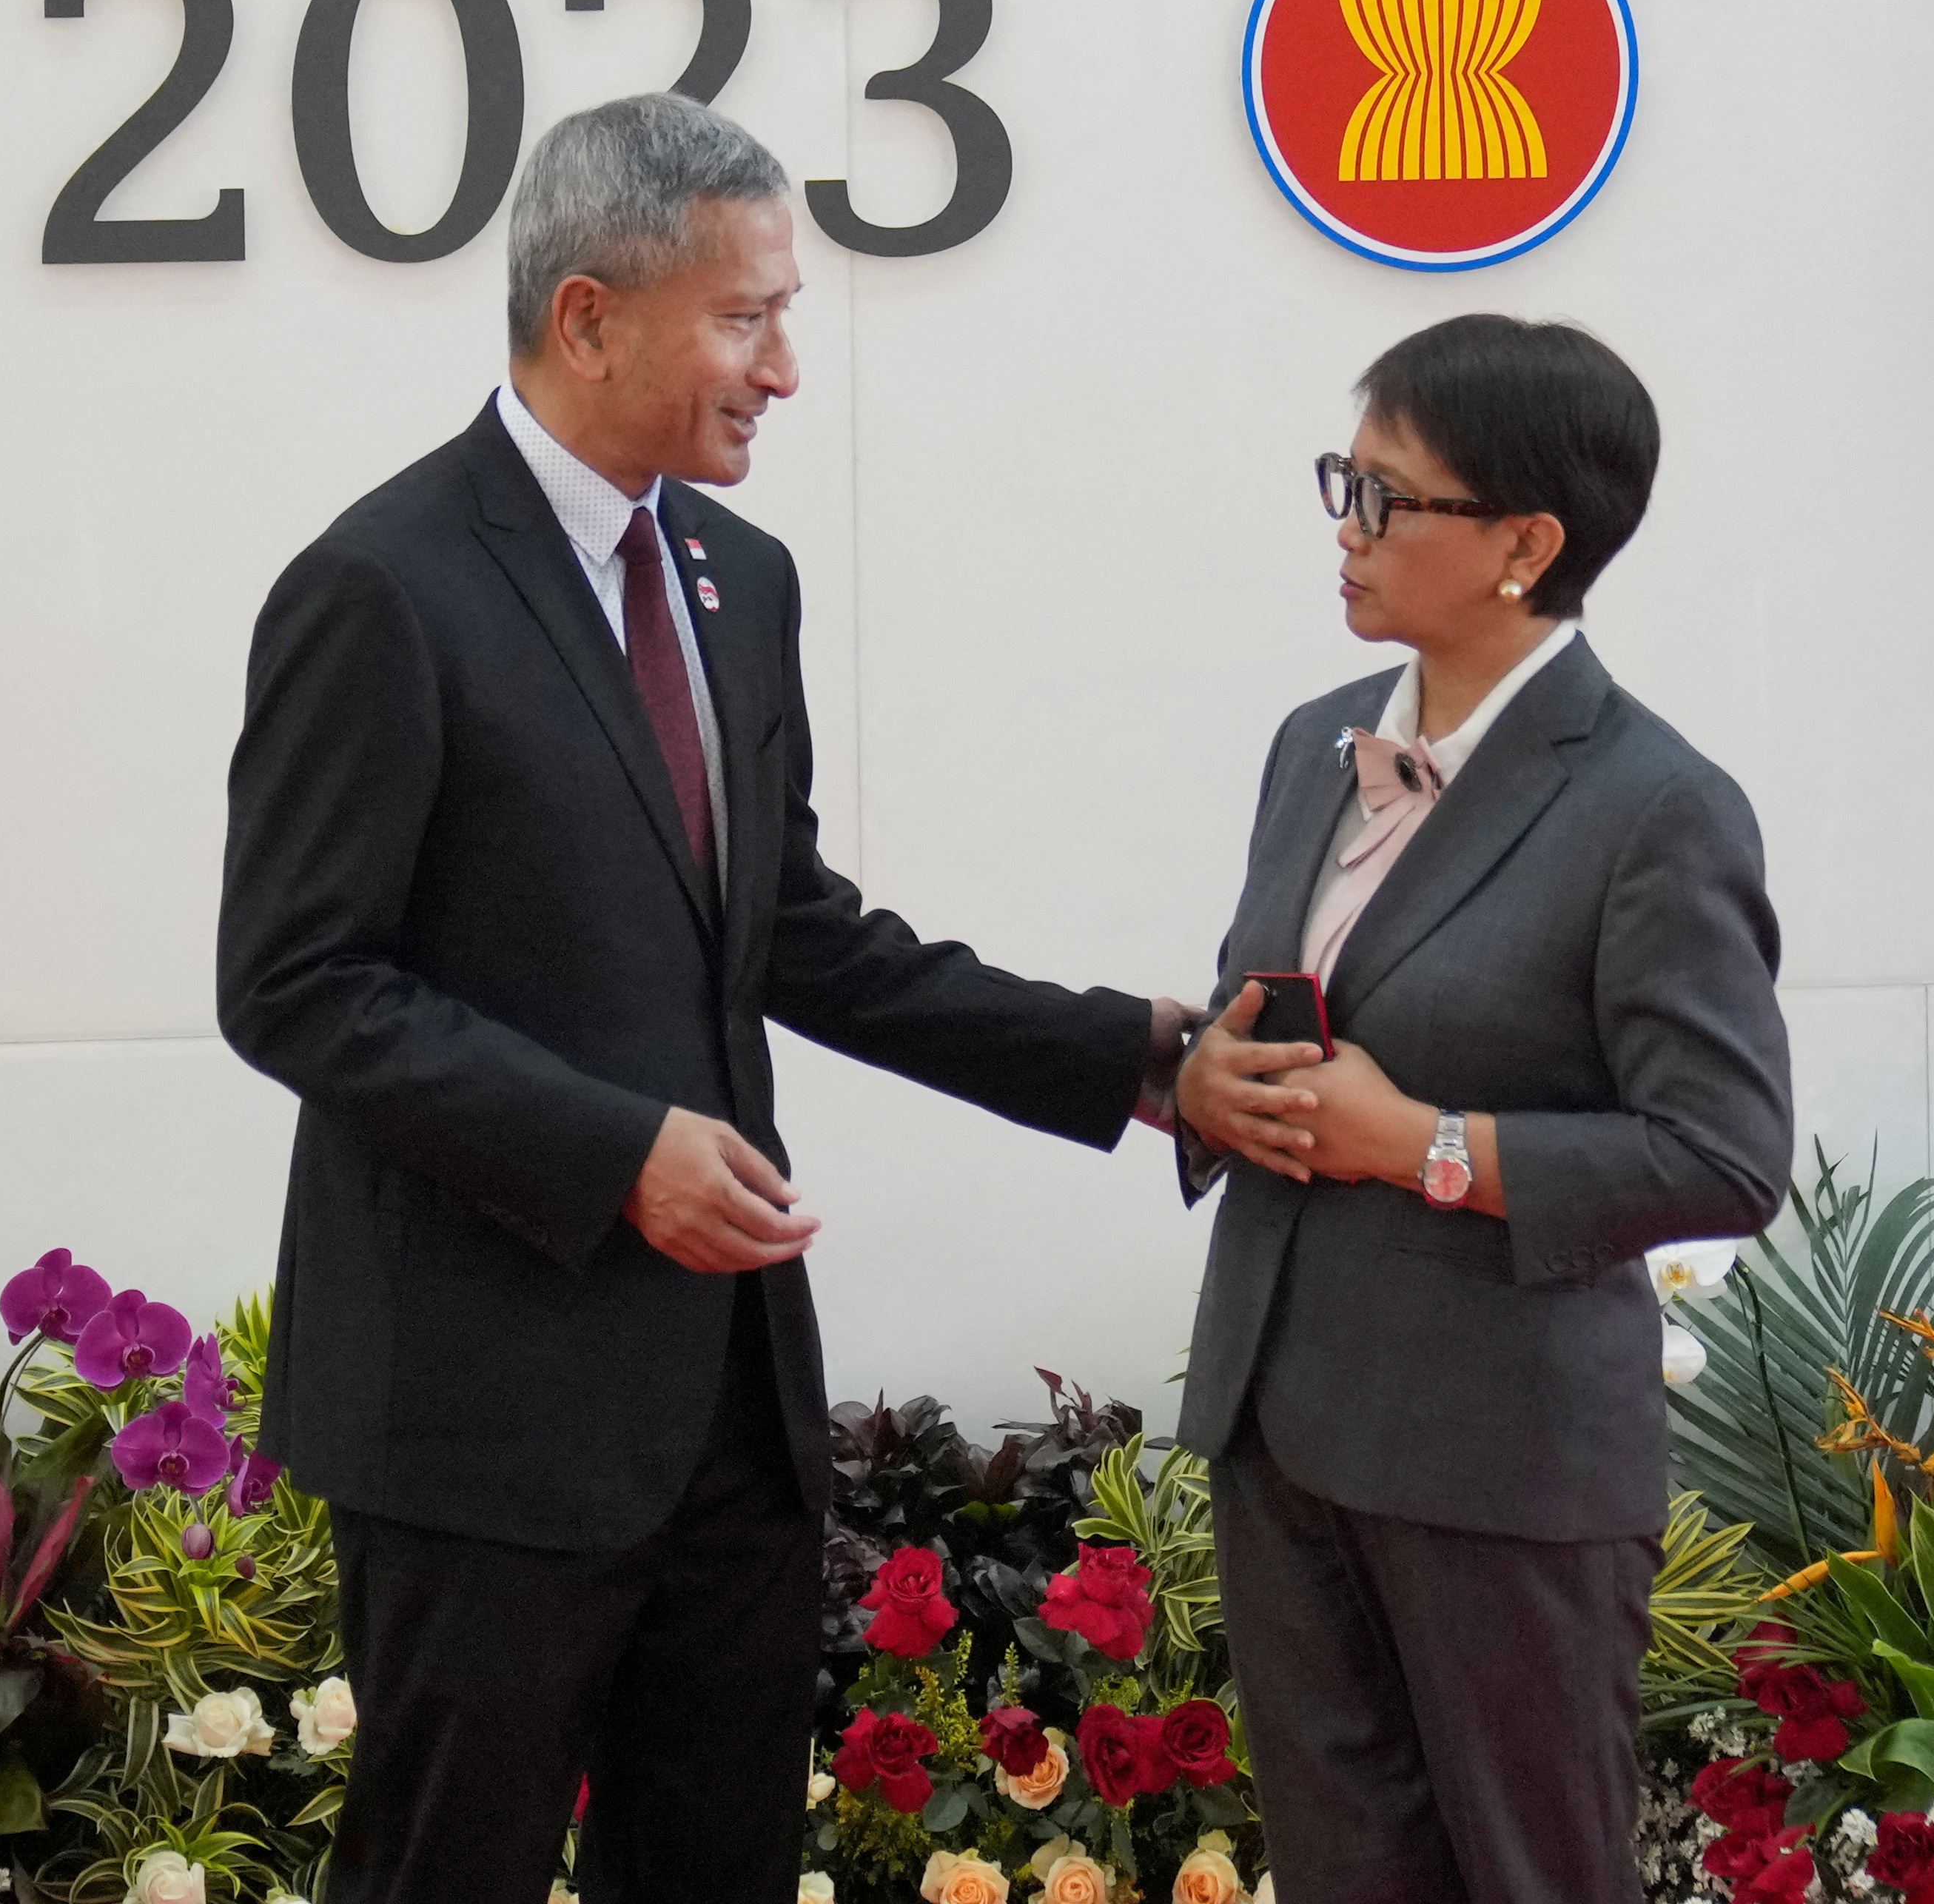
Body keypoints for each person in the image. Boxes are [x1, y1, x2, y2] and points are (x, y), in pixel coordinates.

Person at [217, 91, 1201, 1904]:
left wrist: (1119, 1053)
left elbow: (789, 930)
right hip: (479, 1427)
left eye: (788, 317)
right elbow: (297, 984)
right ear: (589, 316)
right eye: (749, 318)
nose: (787, 370)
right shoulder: (381, 589)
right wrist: (614, 1157)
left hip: (730, 1421)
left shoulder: (736, 579)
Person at [1169, 312, 1793, 1904]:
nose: (1345, 530)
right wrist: (1209, 1079)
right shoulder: (1316, 746)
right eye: (1344, 482)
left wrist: (1429, 1148)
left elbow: (1722, 1152)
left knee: (1530, 1877)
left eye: (1389, 498)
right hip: (1286, 1420)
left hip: (1501, 1460)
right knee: (1341, 1873)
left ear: (1526, 541)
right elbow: (1300, 1018)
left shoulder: (1656, 805)